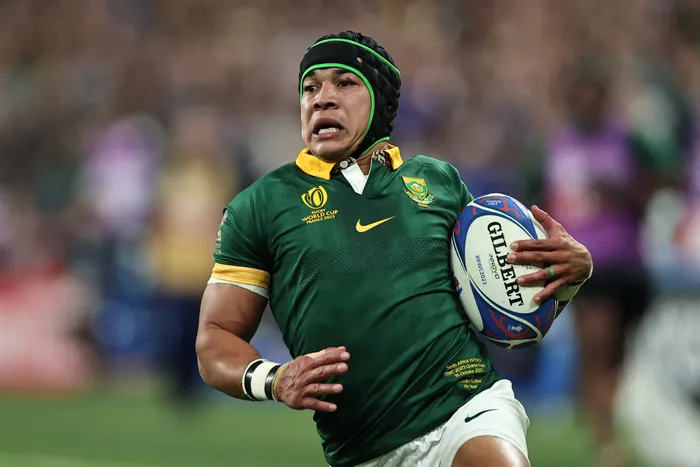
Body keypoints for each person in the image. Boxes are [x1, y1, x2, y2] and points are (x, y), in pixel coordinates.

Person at [196, 31, 593, 467]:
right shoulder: (259, 206)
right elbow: (215, 337)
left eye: (344, 83)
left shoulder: (439, 182)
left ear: (379, 101)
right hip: (363, 450)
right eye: (310, 88)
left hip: (466, 406)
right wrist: (273, 378)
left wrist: (566, 281)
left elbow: (509, 315)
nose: (322, 99)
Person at [521, 59, 666, 467]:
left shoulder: (630, 139)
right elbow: (531, 197)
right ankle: (607, 444)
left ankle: (610, 424)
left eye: (594, 96)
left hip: (629, 265)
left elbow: (664, 178)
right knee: (596, 347)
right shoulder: (554, 146)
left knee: (618, 356)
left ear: (604, 98)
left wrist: (626, 193)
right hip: (583, 267)